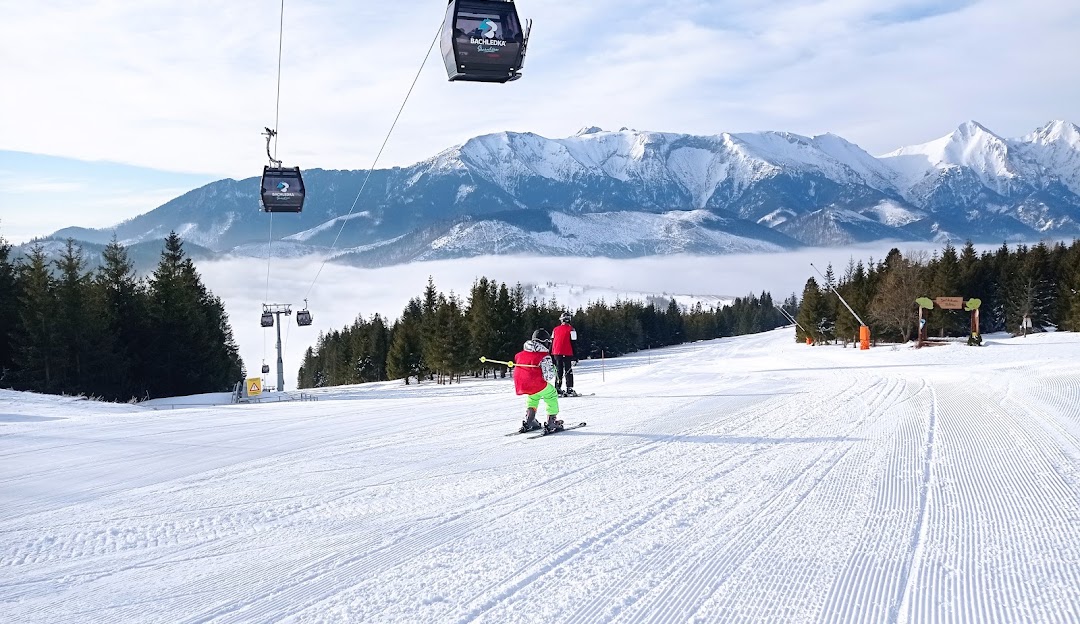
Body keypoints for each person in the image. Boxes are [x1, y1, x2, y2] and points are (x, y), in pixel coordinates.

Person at [513, 329, 562, 433]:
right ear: (545, 342)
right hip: (535, 383)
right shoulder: (544, 356)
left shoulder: (521, 354)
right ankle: (551, 421)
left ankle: (530, 420)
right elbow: (548, 377)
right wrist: (553, 369)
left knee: (533, 395)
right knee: (551, 393)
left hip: (521, 383)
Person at [551, 311, 578, 397]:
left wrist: (550, 354)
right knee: (568, 370)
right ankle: (569, 388)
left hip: (556, 352)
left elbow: (552, 342)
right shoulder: (572, 329)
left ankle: (557, 388)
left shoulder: (555, 329)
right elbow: (574, 343)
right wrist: (575, 356)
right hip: (567, 352)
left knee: (559, 371)